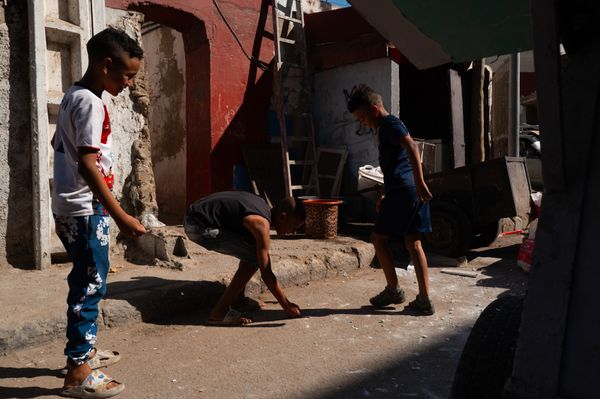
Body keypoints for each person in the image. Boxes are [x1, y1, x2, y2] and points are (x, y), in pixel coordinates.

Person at [52, 27, 147, 398]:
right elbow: (90, 166)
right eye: (127, 75)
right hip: (86, 210)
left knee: (84, 280)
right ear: (107, 65)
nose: (129, 83)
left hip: (70, 208)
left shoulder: (73, 95)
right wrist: (121, 215)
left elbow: (67, 150)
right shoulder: (91, 103)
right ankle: (78, 369)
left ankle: (84, 352)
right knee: (90, 286)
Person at [346, 84, 435, 315]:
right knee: (413, 242)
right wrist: (386, 191)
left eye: (363, 118)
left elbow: (412, 146)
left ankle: (394, 290)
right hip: (404, 189)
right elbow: (396, 162)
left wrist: (419, 181)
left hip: (404, 190)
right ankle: (424, 299)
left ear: (374, 110)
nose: (363, 123)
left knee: (377, 238)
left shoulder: (389, 124)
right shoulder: (391, 125)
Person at [184, 191, 305, 326]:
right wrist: (286, 305)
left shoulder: (262, 208)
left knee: (251, 248)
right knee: (254, 257)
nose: (293, 231)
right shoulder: (260, 224)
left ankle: (238, 300)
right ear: (283, 217)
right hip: (198, 226)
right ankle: (219, 313)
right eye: (294, 226)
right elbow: (266, 273)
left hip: (196, 217)